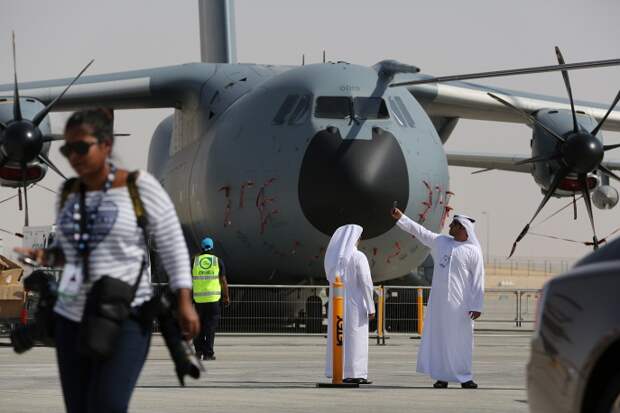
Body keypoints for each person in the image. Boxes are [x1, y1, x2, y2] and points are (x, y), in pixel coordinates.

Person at [16, 108, 199, 412]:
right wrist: (45, 256)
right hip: (72, 318)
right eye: (67, 149)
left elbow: (173, 245)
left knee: (109, 405)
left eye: (81, 147)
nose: (73, 156)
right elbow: (68, 253)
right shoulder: (70, 194)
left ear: (106, 146)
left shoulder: (139, 187)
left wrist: (184, 300)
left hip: (127, 315)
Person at [391, 208, 484, 389]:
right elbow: (420, 231)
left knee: (461, 341)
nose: (450, 226)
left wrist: (477, 305)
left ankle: (465, 377)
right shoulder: (441, 242)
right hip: (439, 305)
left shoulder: (473, 251)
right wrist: (401, 217)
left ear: (463, 228)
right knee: (440, 339)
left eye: (454, 225)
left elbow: (478, 280)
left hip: (461, 307)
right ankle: (442, 376)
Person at [324, 224, 375, 384]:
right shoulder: (359, 257)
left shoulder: (333, 261)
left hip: (337, 306)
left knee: (339, 337)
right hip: (356, 305)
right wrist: (371, 306)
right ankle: (356, 373)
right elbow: (366, 283)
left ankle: (337, 370)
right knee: (357, 338)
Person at [191, 236, 230, 361]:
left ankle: (198, 352)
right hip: (213, 300)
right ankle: (208, 354)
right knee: (210, 327)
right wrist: (226, 296)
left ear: (201, 247)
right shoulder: (217, 261)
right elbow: (223, 281)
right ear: (212, 247)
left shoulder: (194, 261)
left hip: (198, 301)